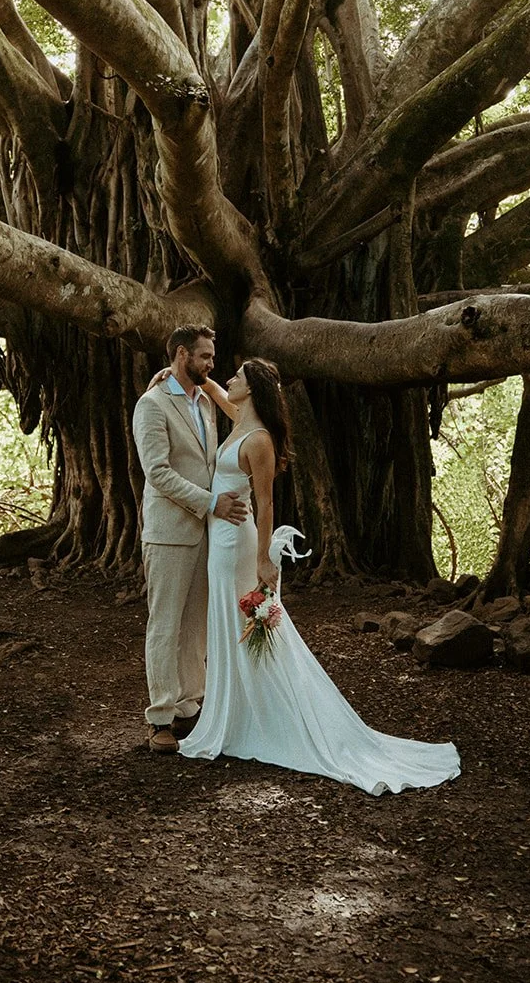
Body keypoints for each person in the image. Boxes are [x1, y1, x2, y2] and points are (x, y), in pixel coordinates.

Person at [175, 357, 461, 796]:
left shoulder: (260, 440)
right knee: (229, 624)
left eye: (237, 377)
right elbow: (219, 394)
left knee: (245, 627)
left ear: (251, 389)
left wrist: (264, 560)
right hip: (221, 542)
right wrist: (190, 378)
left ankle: (264, 717)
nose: (229, 380)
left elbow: (267, 504)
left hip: (238, 544)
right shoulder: (241, 424)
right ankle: (237, 712)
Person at [131, 325, 248, 754]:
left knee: (196, 623)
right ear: (182, 355)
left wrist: (214, 513)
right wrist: (210, 502)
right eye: (204, 356)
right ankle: (159, 717)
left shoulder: (206, 402)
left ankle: (188, 704)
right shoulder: (152, 404)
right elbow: (157, 473)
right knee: (165, 624)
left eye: (212, 357)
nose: (211, 363)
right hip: (170, 533)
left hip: (207, 533)